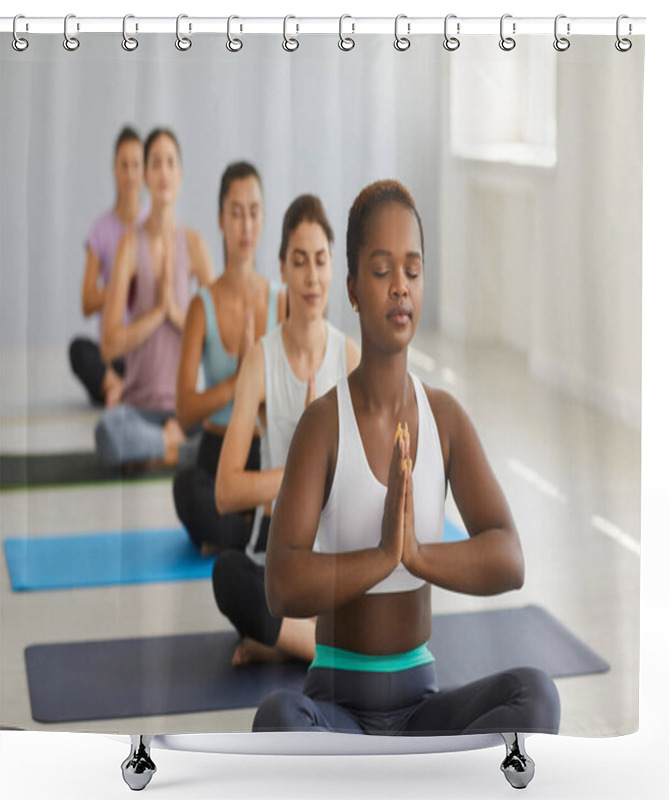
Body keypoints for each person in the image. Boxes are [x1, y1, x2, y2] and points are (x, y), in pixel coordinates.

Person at [252, 180, 561, 736]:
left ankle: (382, 781)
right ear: (351, 287)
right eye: (381, 270)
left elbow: (509, 558)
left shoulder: (444, 418)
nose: (400, 288)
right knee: (279, 718)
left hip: (422, 710)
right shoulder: (323, 426)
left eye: (412, 271)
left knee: (535, 696)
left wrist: (415, 556)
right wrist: (381, 556)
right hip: (337, 707)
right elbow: (282, 584)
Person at [213, 194, 360, 666]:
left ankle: (278, 641)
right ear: (282, 268)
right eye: (300, 262)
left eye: (320, 261)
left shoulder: (351, 359)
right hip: (279, 561)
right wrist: (300, 470)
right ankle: (327, 647)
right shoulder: (261, 360)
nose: (312, 277)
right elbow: (225, 491)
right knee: (228, 575)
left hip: (336, 560)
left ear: (334, 266)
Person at [172, 162, 285, 555]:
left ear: (264, 217)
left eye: (254, 212)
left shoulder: (282, 301)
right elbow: (185, 411)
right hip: (215, 452)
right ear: (221, 219)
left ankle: (230, 533)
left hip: (264, 454)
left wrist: (261, 390)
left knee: (300, 484)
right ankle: (254, 532)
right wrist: (236, 386)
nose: (246, 225)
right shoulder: (202, 307)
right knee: (185, 487)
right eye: (236, 213)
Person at [94, 128, 214, 468]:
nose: (163, 172)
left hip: (184, 411)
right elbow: (108, 345)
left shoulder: (193, 245)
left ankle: (158, 451)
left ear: (180, 174)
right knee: (107, 431)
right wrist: (154, 316)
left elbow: (220, 338)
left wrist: (175, 313)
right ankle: (168, 447)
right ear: (145, 175)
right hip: (138, 409)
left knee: (235, 428)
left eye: (170, 163)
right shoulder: (129, 247)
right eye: (156, 164)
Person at [69, 126, 147, 407]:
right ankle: (121, 388)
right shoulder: (100, 230)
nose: (129, 174)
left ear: (145, 171)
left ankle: (122, 391)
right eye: (123, 165)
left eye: (136, 165)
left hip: (144, 349)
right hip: (112, 356)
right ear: (114, 170)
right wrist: (122, 281)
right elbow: (87, 301)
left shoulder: (155, 225)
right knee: (78, 350)